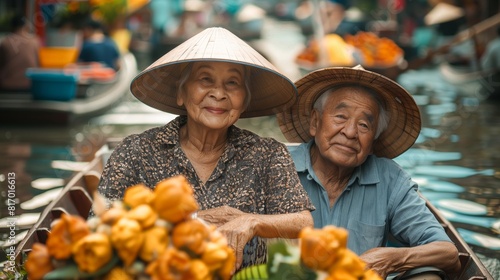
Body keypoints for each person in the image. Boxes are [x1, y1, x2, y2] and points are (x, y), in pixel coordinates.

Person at [97, 27, 314, 272]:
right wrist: (193, 222)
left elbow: (302, 221)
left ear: (244, 101)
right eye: (205, 79)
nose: (219, 93)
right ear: (181, 93)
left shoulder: (268, 154)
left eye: (232, 83)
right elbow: (99, 227)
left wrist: (251, 221)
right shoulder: (135, 152)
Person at [276, 66, 461, 279]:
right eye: (340, 116)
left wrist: (393, 258)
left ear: (373, 142)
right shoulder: (277, 166)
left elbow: (448, 253)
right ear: (315, 122)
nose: (350, 132)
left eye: (364, 125)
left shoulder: (390, 180)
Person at [0, 14, 40, 91]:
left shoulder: (5, 42)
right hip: (30, 85)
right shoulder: (34, 41)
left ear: (12, 27)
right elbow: (38, 64)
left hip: (7, 86)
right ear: (25, 26)